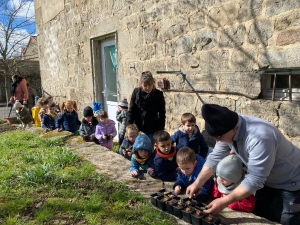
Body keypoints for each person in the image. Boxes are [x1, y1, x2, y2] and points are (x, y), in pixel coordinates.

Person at [186, 104, 300, 224]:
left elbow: (254, 179)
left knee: (287, 220)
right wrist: (198, 183)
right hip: (267, 181)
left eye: (219, 136)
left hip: (291, 181)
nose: (218, 140)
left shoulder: (260, 137)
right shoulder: (226, 127)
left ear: (234, 128)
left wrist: (224, 201)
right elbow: (215, 157)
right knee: (261, 214)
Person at [127, 71, 166, 145]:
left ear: (153, 83)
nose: (148, 88)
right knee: (136, 150)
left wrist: (160, 132)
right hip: (137, 129)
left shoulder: (158, 95)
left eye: (150, 85)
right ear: (141, 84)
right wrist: (128, 127)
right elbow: (131, 111)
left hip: (152, 128)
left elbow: (162, 114)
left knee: (149, 151)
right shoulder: (136, 92)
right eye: (145, 85)